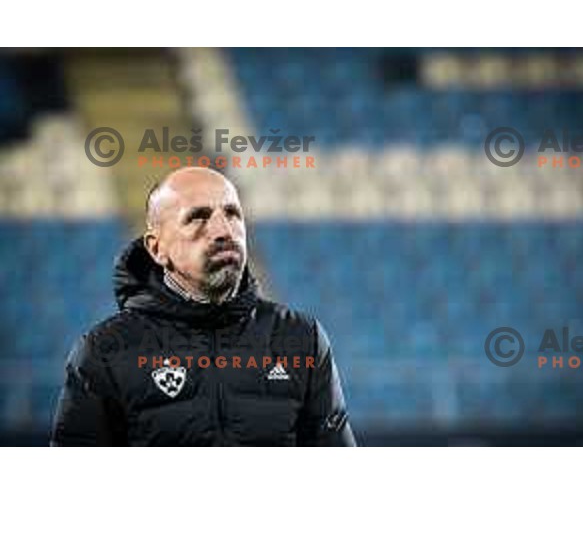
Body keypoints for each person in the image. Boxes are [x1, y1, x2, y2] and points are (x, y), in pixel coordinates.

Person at [51, 167, 356, 446]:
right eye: (198, 216)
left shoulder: (302, 340)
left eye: (232, 213)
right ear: (157, 248)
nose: (224, 231)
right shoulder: (104, 352)